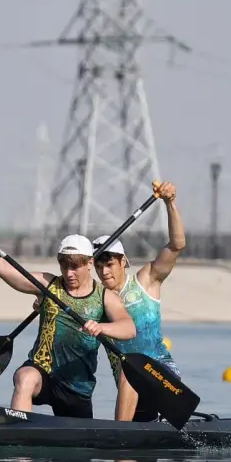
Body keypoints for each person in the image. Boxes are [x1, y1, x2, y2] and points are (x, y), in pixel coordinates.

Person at [0, 217, 136, 418]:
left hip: (76, 387)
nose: (69, 273)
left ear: (90, 263)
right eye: (64, 266)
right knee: (24, 377)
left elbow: (129, 328)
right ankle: (18, 435)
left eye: (75, 267)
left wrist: (102, 328)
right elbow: (2, 268)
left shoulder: (104, 297)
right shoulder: (48, 284)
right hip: (42, 372)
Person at [93, 180, 186, 422]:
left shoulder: (146, 280)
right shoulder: (96, 298)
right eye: (99, 266)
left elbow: (177, 245)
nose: (104, 272)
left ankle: (118, 438)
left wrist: (170, 203)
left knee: (130, 370)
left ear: (124, 262)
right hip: (130, 392)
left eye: (110, 264)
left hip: (164, 376)